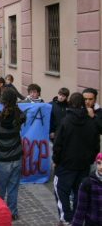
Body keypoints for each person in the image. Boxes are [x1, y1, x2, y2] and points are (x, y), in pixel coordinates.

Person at [53, 92, 100, 225]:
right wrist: (90, 160)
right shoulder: (91, 122)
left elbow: (58, 145)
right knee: (79, 192)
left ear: (70, 103)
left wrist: (56, 160)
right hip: (83, 165)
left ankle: (67, 217)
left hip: (66, 165)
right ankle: (75, 217)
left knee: (61, 191)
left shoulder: (66, 121)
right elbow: (96, 145)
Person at [0, 88, 26, 221]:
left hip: (2, 159)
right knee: (13, 188)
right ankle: (13, 212)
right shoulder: (20, 116)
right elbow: (19, 114)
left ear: (2, 101)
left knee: (0, 189)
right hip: (17, 157)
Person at [71, 153, 102, 226]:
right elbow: (81, 209)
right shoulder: (87, 183)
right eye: (99, 163)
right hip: (93, 222)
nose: (101, 167)